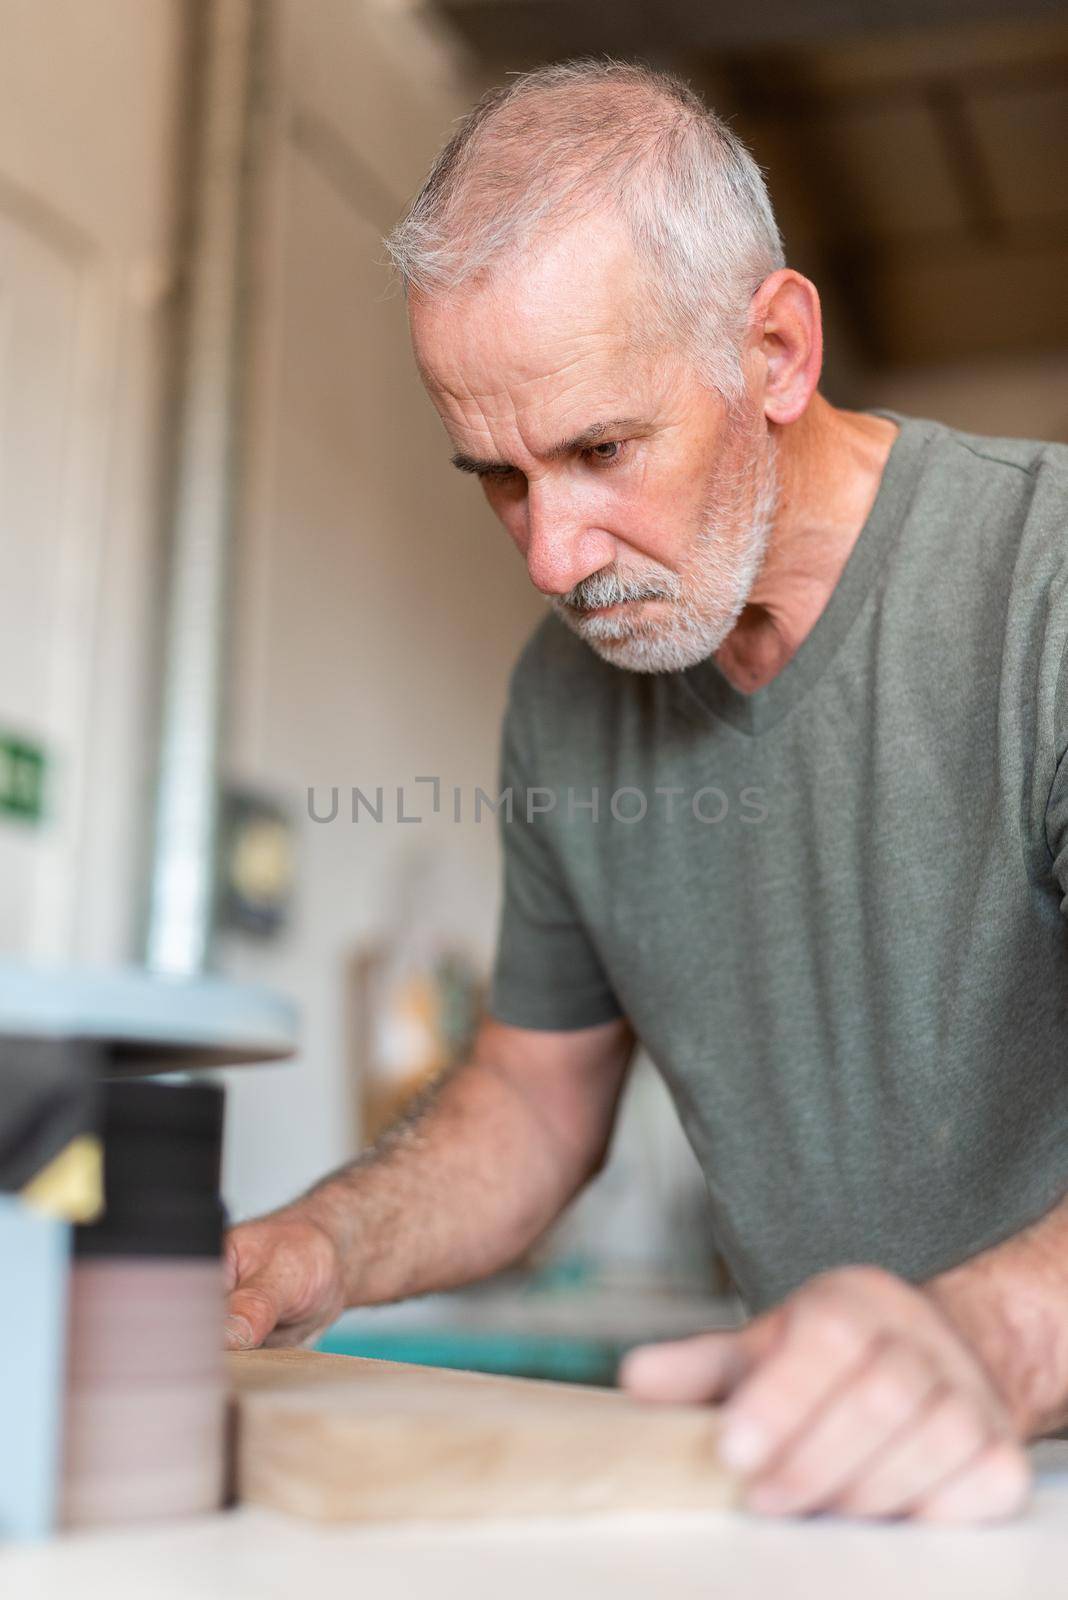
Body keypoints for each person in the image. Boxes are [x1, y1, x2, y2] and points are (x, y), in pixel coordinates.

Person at [225, 59, 1068, 1523]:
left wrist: (977, 1344)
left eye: (602, 451)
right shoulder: (565, 703)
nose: (553, 556)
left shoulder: (1045, 589)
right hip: (827, 1507)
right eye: (497, 476)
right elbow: (533, 1104)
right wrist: (314, 1251)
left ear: (777, 353)